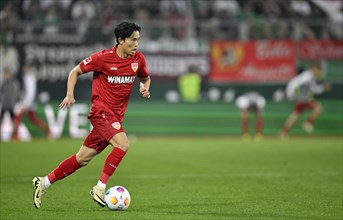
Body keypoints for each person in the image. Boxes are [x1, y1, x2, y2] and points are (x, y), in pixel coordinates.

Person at [32, 21, 151, 209]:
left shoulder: (138, 60)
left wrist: (145, 87)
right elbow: (75, 71)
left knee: (82, 158)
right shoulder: (102, 58)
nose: (136, 44)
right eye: (132, 40)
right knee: (123, 144)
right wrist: (70, 94)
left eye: (138, 40)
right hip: (101, 112)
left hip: (116, 117)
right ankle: (100, 188)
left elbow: (145, 77)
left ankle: (43, 182)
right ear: (120, 40)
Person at [279, 63, 330, 137]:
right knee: (318, 108)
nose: (319, 72)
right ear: (314, 69)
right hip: (302, 98)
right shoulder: (308, 76)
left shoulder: (308, 76)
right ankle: (308, 123)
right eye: (318, 70)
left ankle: (283, 132)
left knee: (294, 116)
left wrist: (292, 95)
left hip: (301, 98)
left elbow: (309, 87)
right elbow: (296, 84)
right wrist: (290, 95)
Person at [11, 63, 52, 141]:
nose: (24, 69)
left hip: (28, 103)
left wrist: (26, 103)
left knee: (17, 115)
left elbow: (31, 92)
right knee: (33, 119)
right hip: (30, 102)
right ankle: (48, 131)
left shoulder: (29, 78)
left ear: (28, 68)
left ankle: (15, 136)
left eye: (26, 68)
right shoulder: (29, 77)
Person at [0, 69, 21, 134]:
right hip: (4, 104)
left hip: (11, 105)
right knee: (1, 118)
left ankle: (14, 133)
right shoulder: (3, 83)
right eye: (5, 75)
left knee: (13, 119)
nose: (6, 76)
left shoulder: (14, 83)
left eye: (7, 74)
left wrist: (14, 102)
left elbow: (16, 93)